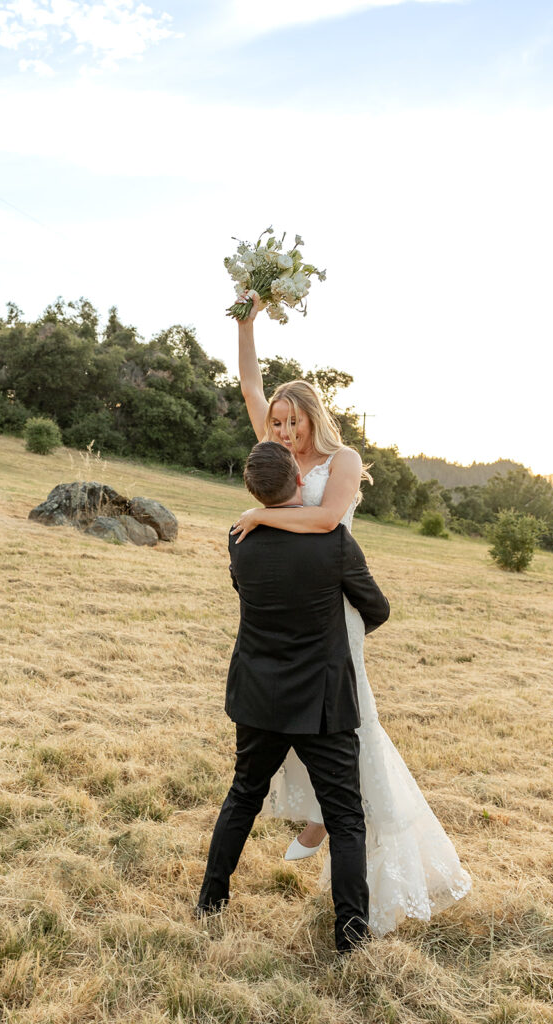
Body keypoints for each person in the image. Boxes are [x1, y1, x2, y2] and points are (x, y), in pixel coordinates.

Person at [231, 291, 471, 938]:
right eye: (275, 424)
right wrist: (246, 325)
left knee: (348, 718)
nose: (280, 433)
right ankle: (316, 812)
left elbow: (326, 519)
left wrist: (258, 514)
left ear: (311, 418)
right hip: (289, 609)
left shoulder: (342, 462)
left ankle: (337, 822)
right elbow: (249, 383)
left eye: (290, 422)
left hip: (335, 612)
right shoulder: (278, 456)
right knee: (296, 718)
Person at [196, 441, 390, 953]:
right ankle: (351, 937)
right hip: (322, 700)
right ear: (301, 482)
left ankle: (210, 901)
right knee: (346, 818)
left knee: (242, 795)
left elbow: (246, 593)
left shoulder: (240, 538)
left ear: (254, 494)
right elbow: (377, 608)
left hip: (257, 692)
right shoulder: (336, 543)